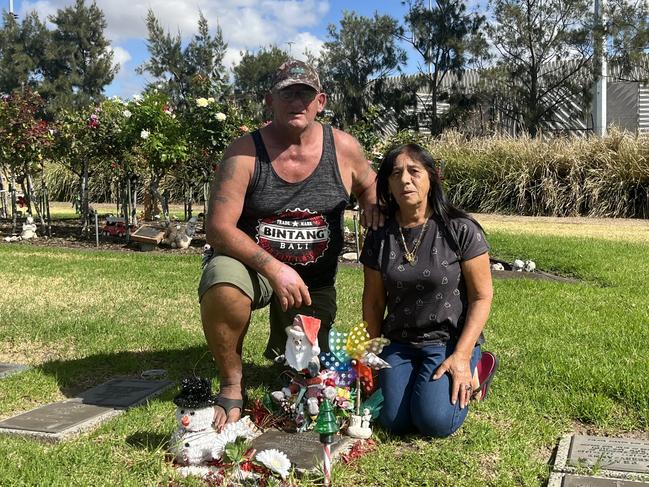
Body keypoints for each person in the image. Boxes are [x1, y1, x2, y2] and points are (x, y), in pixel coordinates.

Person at [198, 59, 382, 430]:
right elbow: (217, 228)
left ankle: (286, 355)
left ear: (321, 101)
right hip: (256, 269)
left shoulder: (344, 148)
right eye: (287, 94)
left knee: (304, 373)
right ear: (270, 100)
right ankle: (232, 384)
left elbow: (371, 185)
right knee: (223, 284)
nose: (296, 101)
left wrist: (371, 206)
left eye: (305, 93)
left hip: (314, 281)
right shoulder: (244, 153)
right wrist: (274, 268)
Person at [361, 142, 496, 437]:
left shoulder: (460, 229)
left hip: (447, 341)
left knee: (434, 421)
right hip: (399, 341)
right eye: (395, 174)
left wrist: (461, 356)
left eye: (414, 171)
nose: (405, 180)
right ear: (387, 184)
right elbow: (373, 300)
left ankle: (477, 368)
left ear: (432, 177)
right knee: (391, 420)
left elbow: (482, 297)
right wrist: (370, 354)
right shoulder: (379, 234)